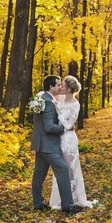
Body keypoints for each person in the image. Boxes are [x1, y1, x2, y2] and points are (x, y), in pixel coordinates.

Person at [49, 75, 98, 210]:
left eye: (63, 86)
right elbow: (47, 96)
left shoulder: (76, 105)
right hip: (57, 139)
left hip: (69, 139)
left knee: (70, 169)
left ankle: (73, 199)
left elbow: (69, 124)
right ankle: (60, 199)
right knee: (59, 169)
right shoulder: (60, 99)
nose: (61, 88)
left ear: (69, 89)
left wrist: (59, 114)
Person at [31, 75, 76, 214]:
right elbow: (49, 127)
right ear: (51, 87)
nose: (60, 87)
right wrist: (64, 128)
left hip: (40, 143)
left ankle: (38, 204)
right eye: (57, 85)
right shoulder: (49, 102)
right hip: (48, 145)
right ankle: (68, 206)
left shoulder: (41, 98)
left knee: (39, 174)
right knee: (62, 169)